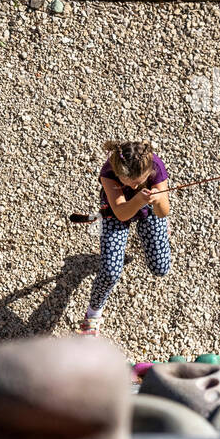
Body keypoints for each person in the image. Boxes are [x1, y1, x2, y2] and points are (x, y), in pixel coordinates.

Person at [78, 141, 172, 336]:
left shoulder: (156, 166)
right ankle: (93, 314)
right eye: (130, 181)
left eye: (141, 180)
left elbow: (164, 212)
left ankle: (155, 230)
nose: (136, 185)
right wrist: (137, 199)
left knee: (161, 269)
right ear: (119, 173)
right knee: (110, 272)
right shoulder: (109, 172)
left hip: (149, 208)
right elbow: (121, 213)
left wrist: (158, 200)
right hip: (116, 211)